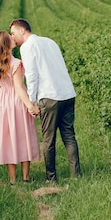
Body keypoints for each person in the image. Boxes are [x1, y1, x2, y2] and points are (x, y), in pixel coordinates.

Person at [9, 18, 81, 183]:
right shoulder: (50, 42)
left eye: (13, 33)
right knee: (69, 136)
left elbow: (32, 76)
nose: (12, 38)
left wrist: (32, 101)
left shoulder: (27, 47)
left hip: (50, 96)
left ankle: (51, 178)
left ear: (22, 30)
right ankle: (76, 175)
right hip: (67, 93)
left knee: (48, 140)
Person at [0, 30, 40, 184]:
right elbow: (18, 87)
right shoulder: (16, 63)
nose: (12, 38)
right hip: (17, 101)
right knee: (23, 135)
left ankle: (12, 180)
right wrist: (30, 105)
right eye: (9, 37)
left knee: (7, 138)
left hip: (3, 102)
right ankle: (26, 178)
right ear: (6, 45)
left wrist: (2, 102)